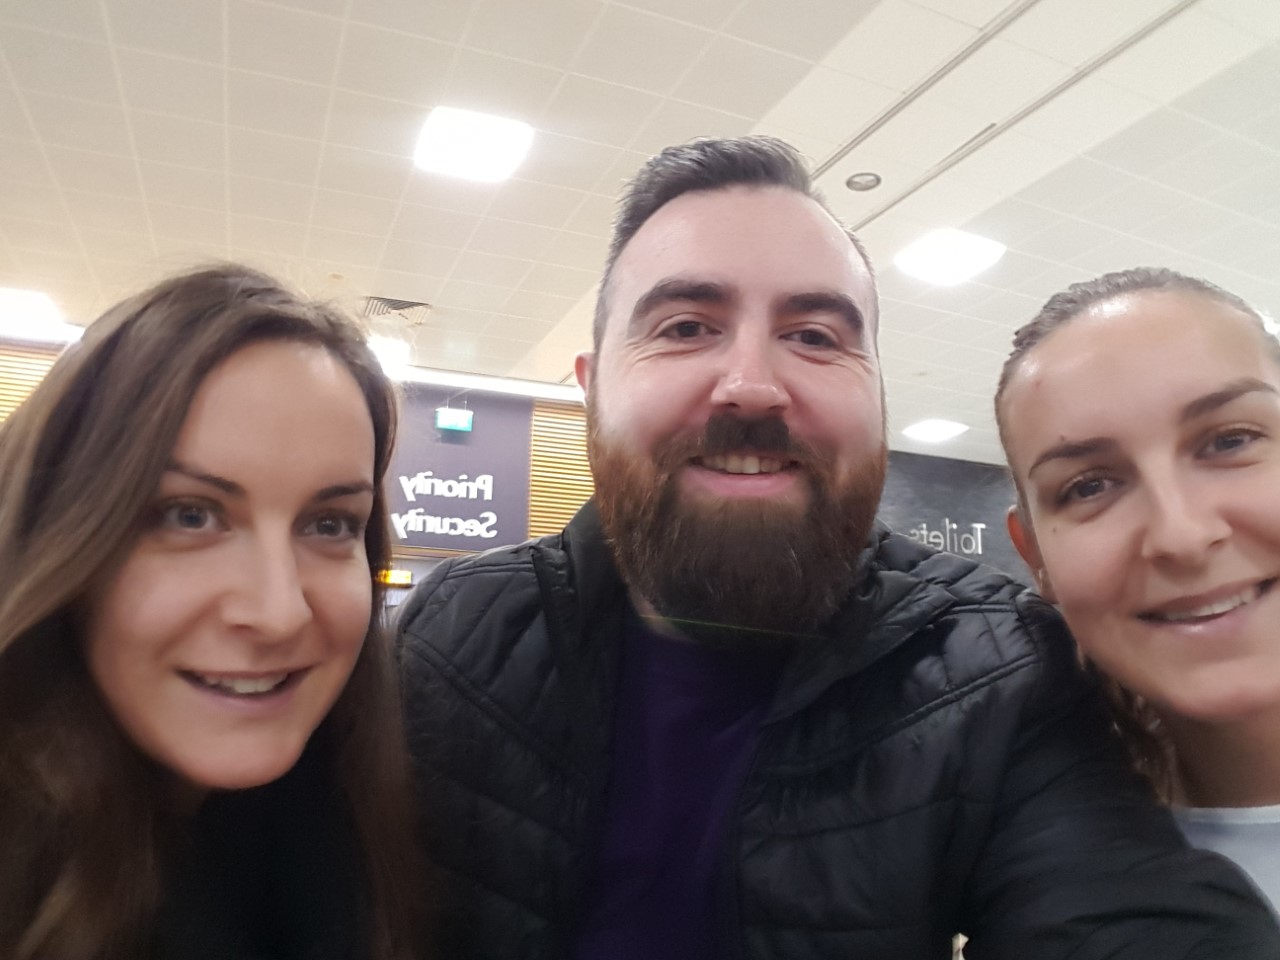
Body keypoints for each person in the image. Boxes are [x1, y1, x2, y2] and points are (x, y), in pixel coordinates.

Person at [397, 137, 1280, 959]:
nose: (751, 385)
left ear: (879, 401)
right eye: (685, 326)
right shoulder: (451, 641)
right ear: (591, 392)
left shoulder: (997, 675)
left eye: (815, 337)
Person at [0, 265, 424, 959]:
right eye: (189, 515)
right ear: (60, 534)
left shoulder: (364, 833)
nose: (280, 613)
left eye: (329, 524)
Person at [997, 266, 1280, 913]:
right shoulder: (1033, 890)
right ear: (1034, 557)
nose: (1181, 535)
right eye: (1090, 486)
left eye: (1230, 440)